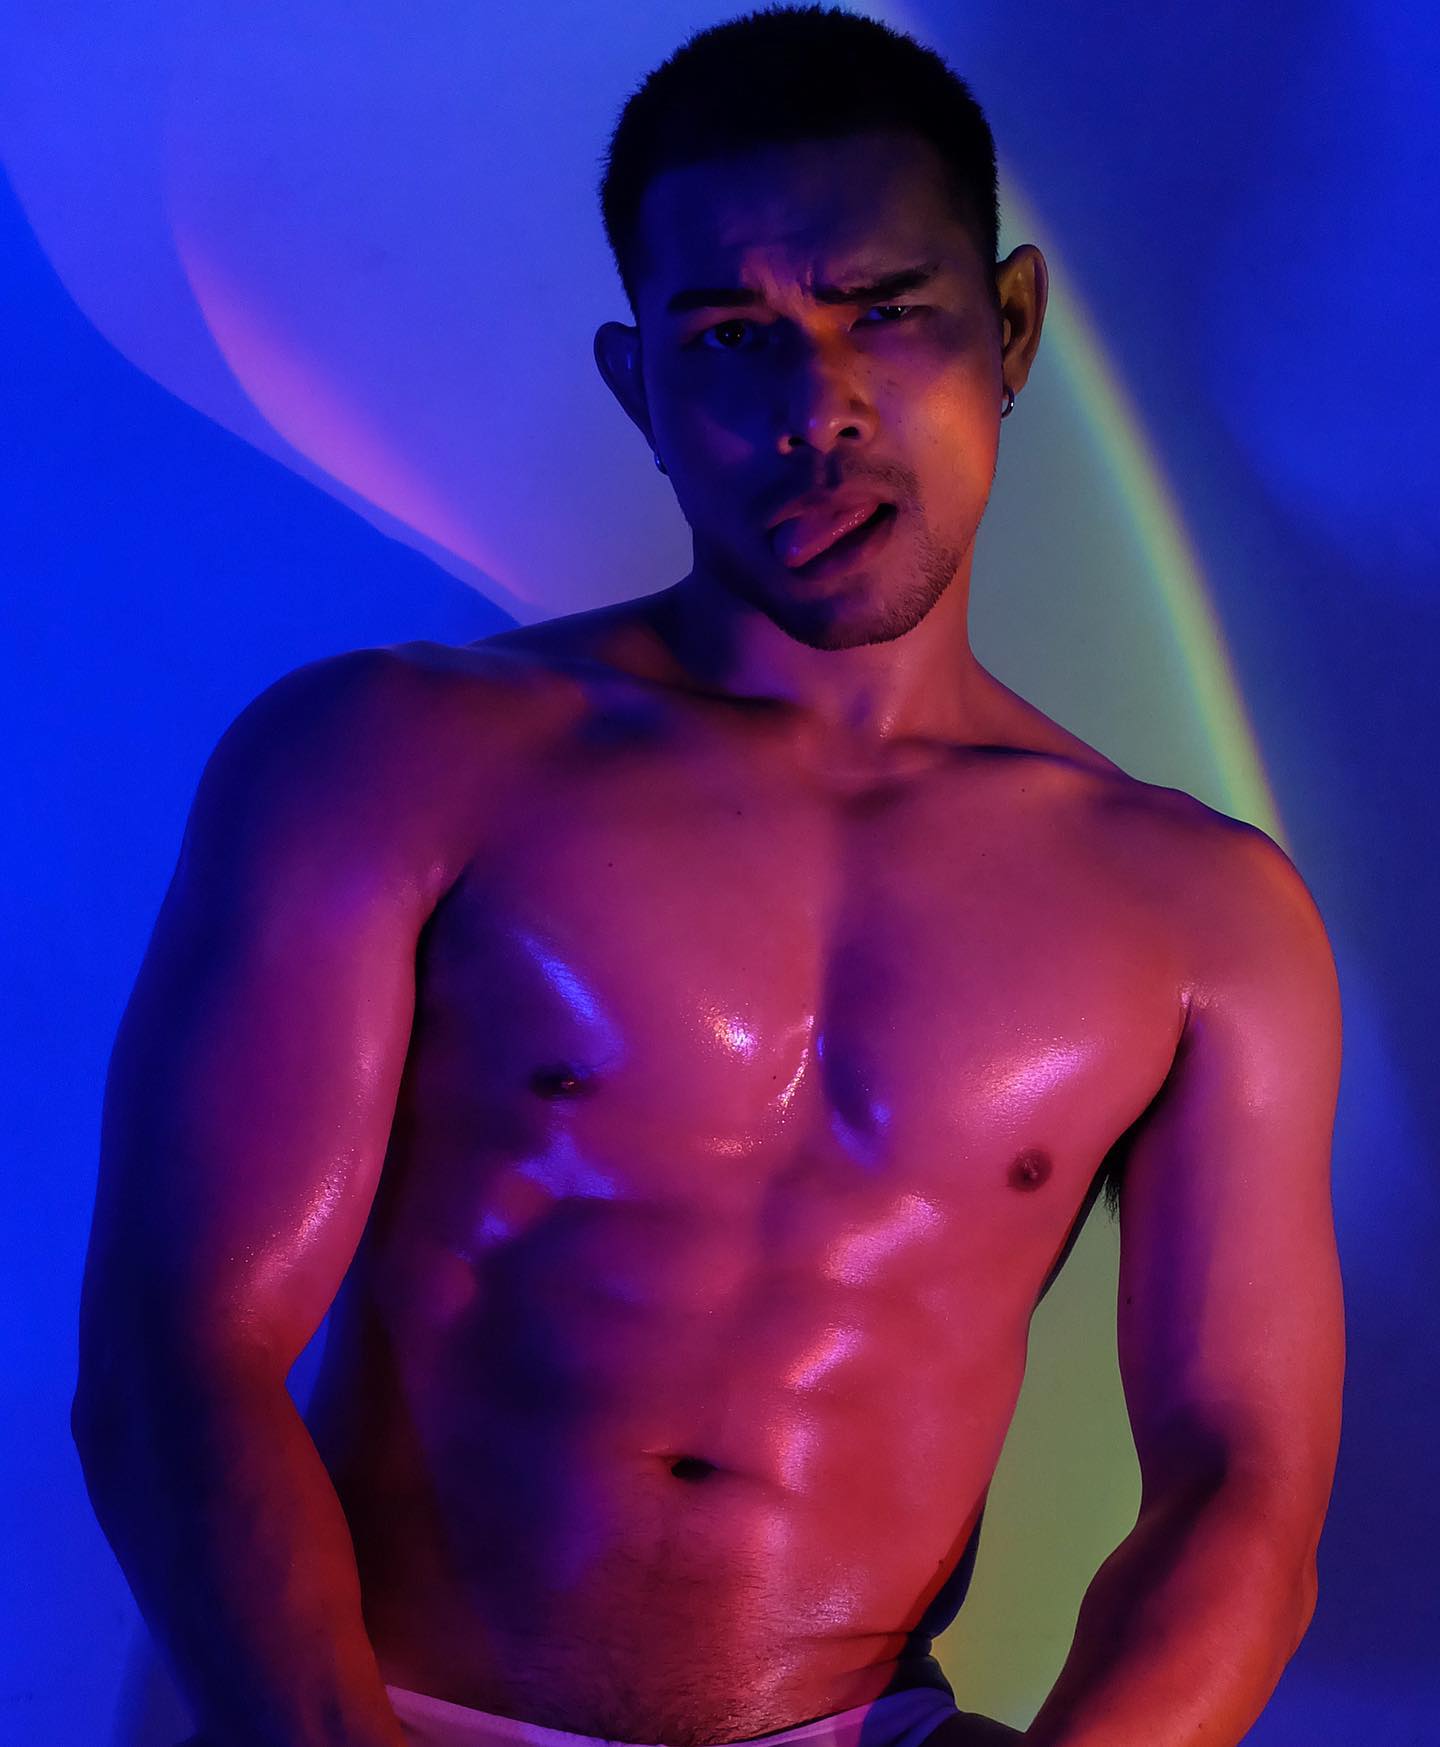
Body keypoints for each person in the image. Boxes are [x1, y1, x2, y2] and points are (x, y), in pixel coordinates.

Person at [71, 8, 1345, 1747]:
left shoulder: (1204, 920)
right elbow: (176, 1357)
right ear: (640, 387)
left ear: (1011, 328)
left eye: (884, 312)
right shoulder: (390, 759)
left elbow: (1243, 1486)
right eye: (733, 337)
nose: (817, 408)